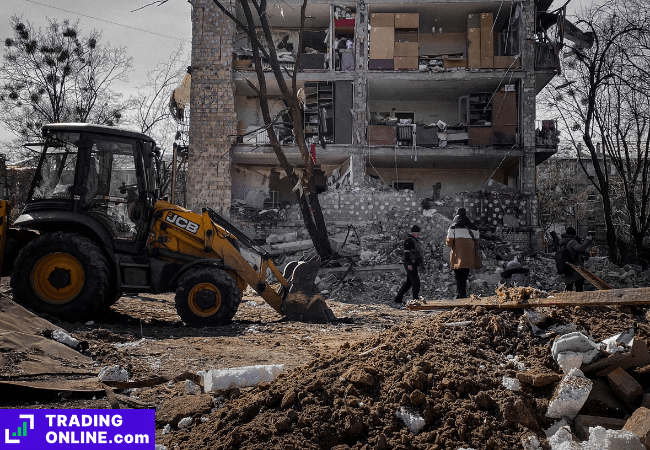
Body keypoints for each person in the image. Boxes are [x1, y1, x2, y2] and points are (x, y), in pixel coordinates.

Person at [446, 208, 482, 299]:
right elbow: (477, 242)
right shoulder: (473, 227)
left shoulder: (453, 227)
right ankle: (463, 295)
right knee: (465, 277)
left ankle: (460, 295)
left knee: (458, 278)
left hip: (457, 256)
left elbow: (449, 243)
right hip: (469, 257)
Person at [394, 225, 424, 304]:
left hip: (413, 264)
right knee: (416, 282)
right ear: (412, 233)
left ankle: (398, 298)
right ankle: (415, 299)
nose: (417, 234)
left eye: (418, 233)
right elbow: (406, 253)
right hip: (410, 264)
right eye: (415, 233)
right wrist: (409, 264)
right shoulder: (409, 240)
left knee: (409, 282)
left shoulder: (415, 240)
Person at [558, 226, 593, 292]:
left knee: (568, 286)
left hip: (567, 267)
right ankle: (579, 301)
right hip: (575, 268)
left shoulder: (563, 242)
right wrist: (588, 240)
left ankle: (567, 300)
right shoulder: (572, 242)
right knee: (579, 286)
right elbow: (580, 248)